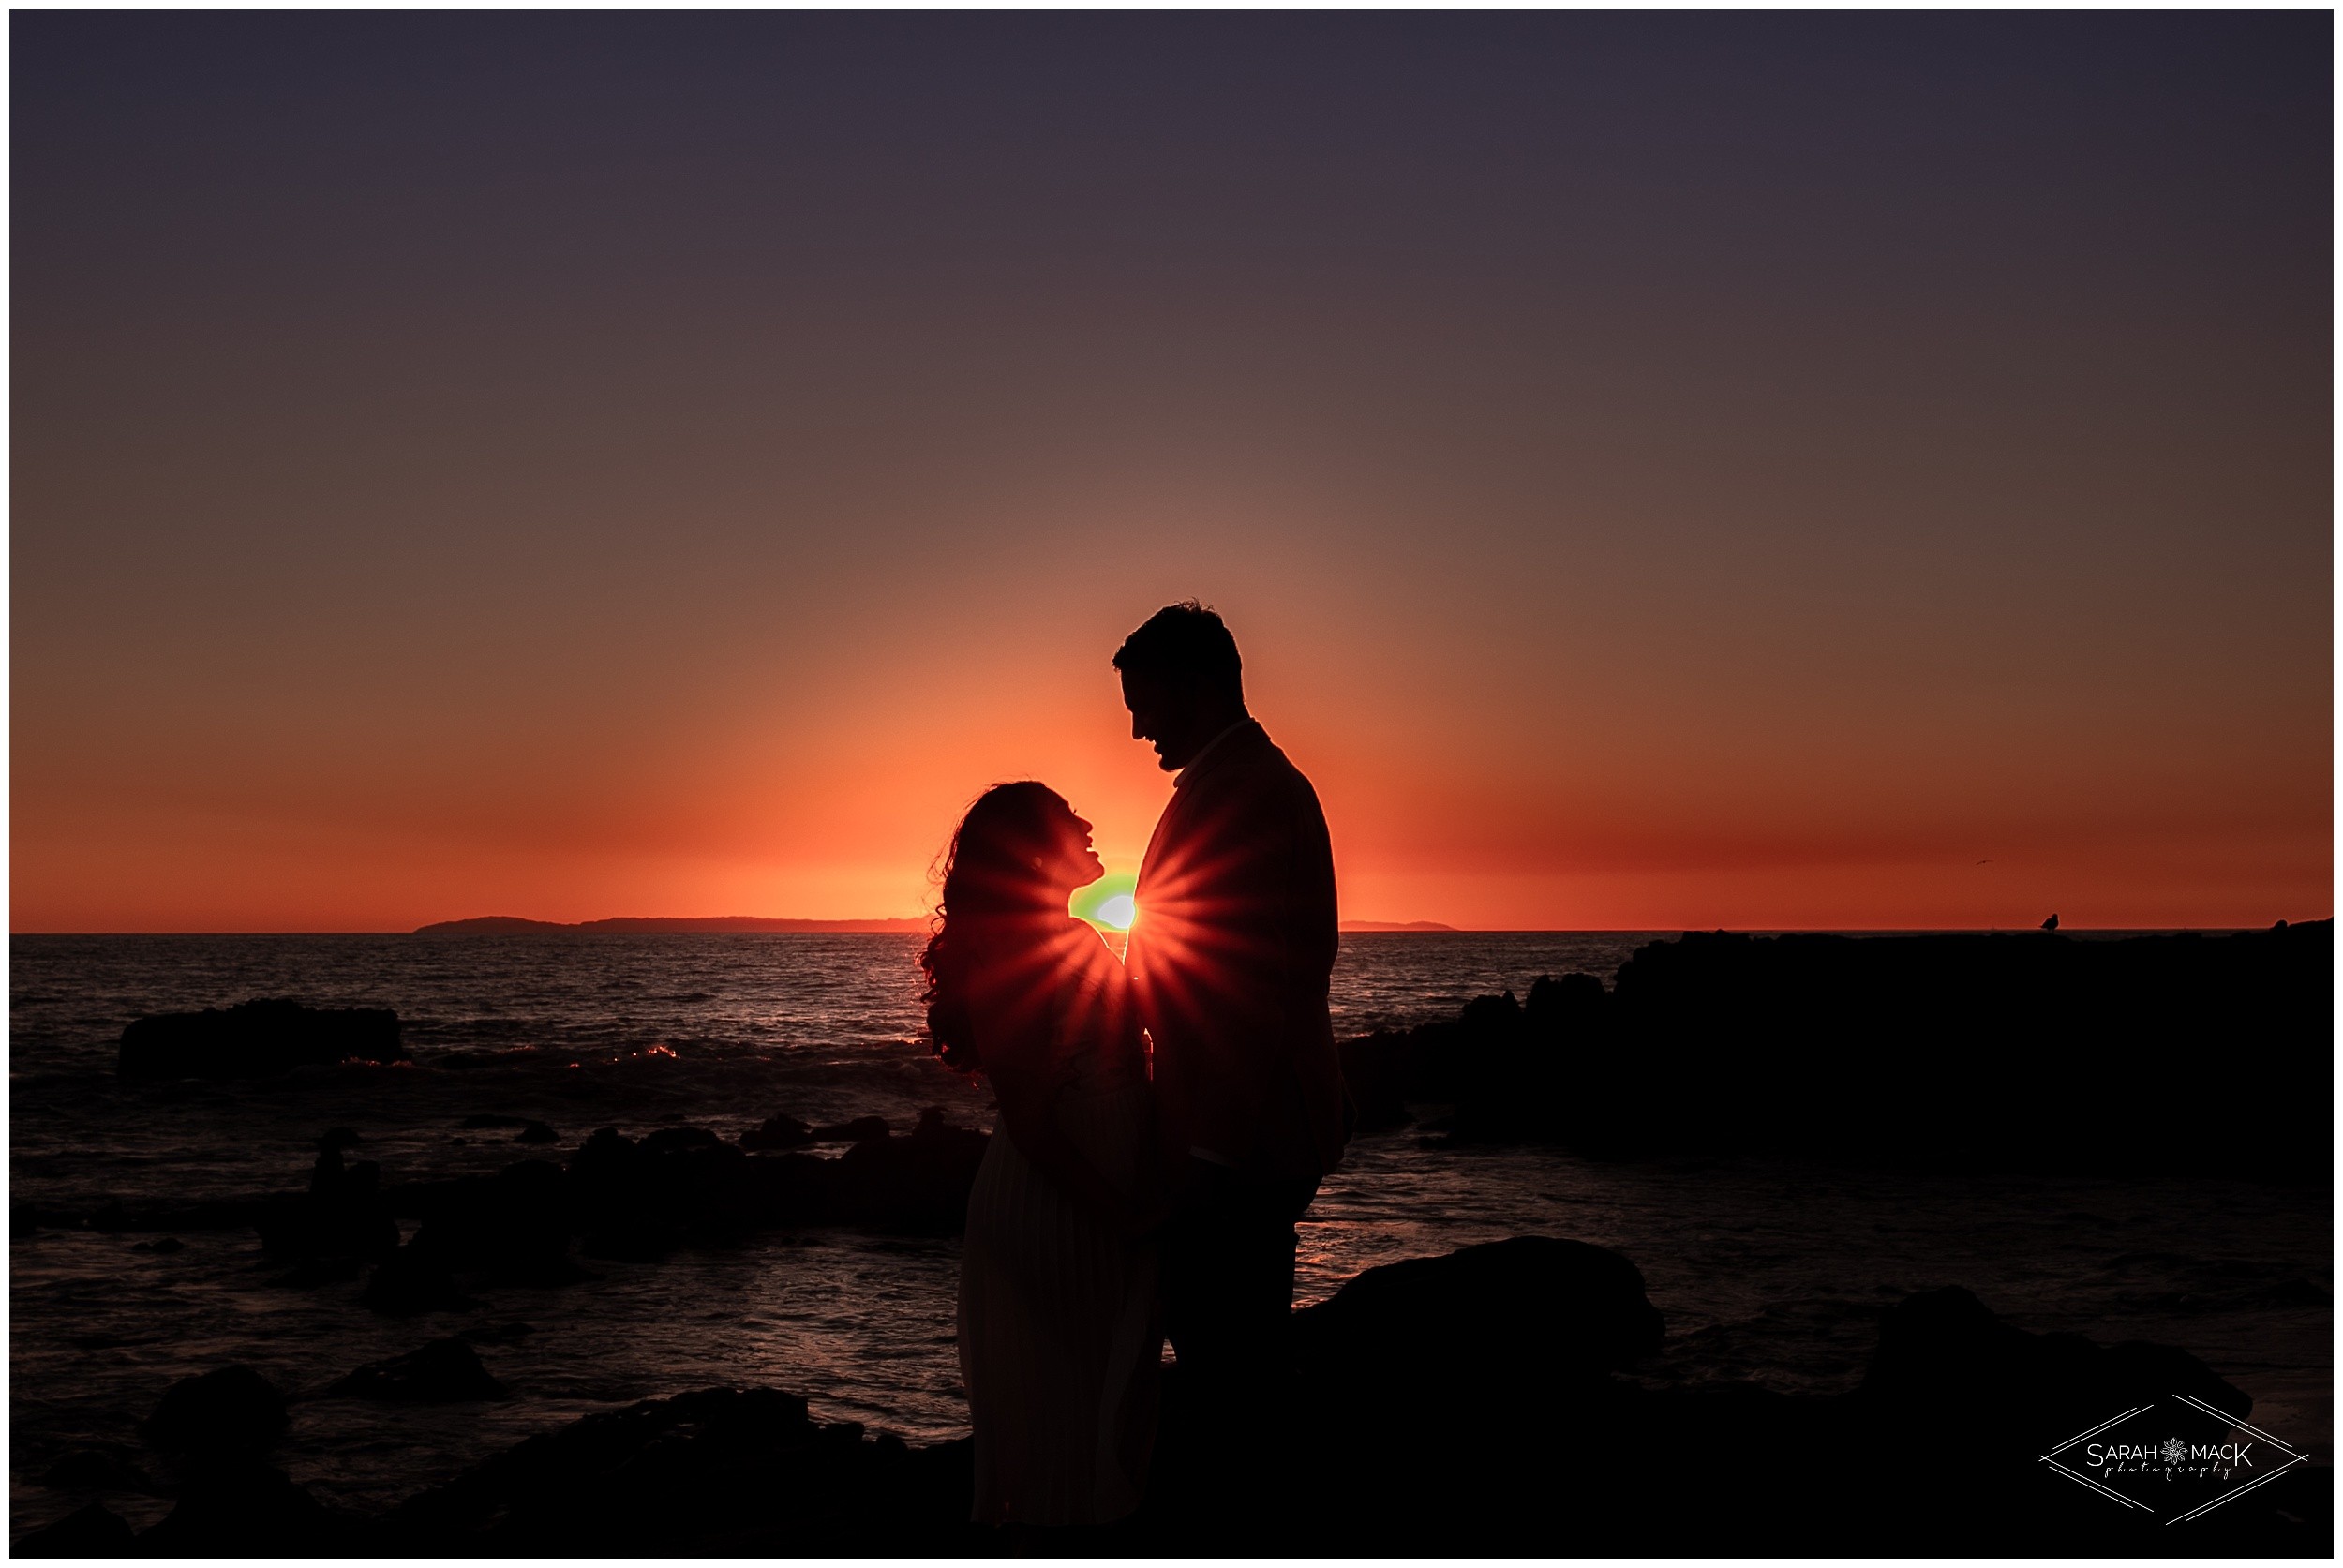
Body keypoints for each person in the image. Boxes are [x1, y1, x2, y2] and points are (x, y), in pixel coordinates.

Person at [1114, 603, 1350, 1462]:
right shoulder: (1244, 783)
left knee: (1234, 1380)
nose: (1138, 729)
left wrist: (1206, 1157)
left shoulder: (1242, 794)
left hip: (1243, 1146)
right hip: (1254, 1137)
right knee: (1233, 1365)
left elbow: (1243, 988)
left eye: (1145, 702)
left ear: (1198, 685)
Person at [923, 782, 1164, 1529]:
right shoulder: (1019, 948)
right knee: (1061, 1423)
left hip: (1091, 1191)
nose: (1088, 823)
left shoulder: (1070, 935)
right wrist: (1123, 1216)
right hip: (1055, 1205)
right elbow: (1029, 1119)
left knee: (1093, 1406)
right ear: (1032, 849)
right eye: (1068, 817)